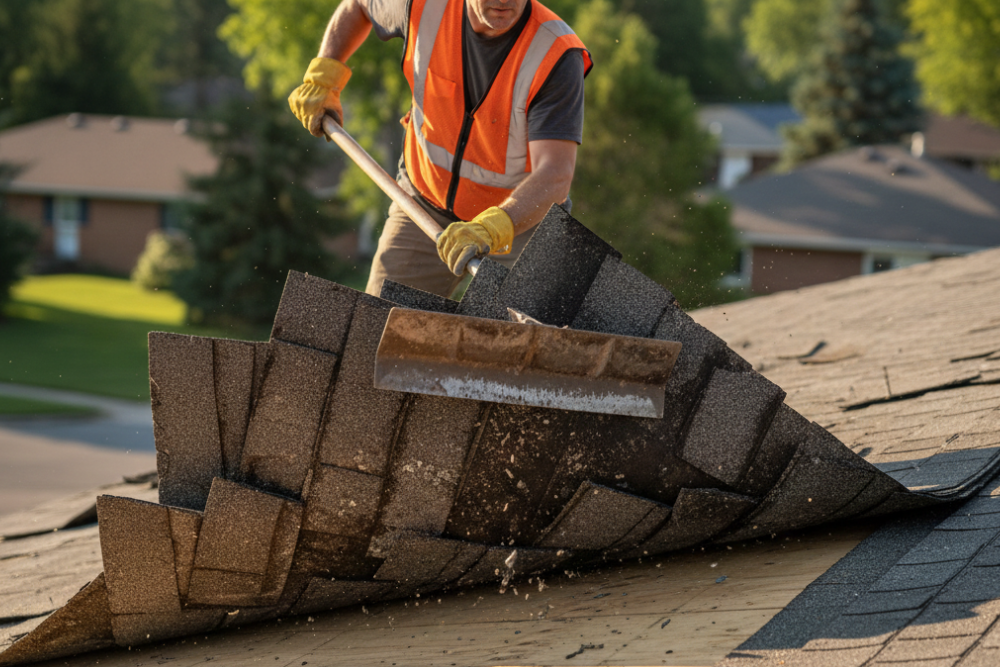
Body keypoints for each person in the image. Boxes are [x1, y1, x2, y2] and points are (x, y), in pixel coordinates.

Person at [288, 0, 592, 298]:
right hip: (423, 207)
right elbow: (358, 5)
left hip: (521, 225)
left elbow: (555, 175)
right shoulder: (420, 4)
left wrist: (491, 229)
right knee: (376, 333)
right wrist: (324, 75)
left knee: (532, 343)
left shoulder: (557, 54)